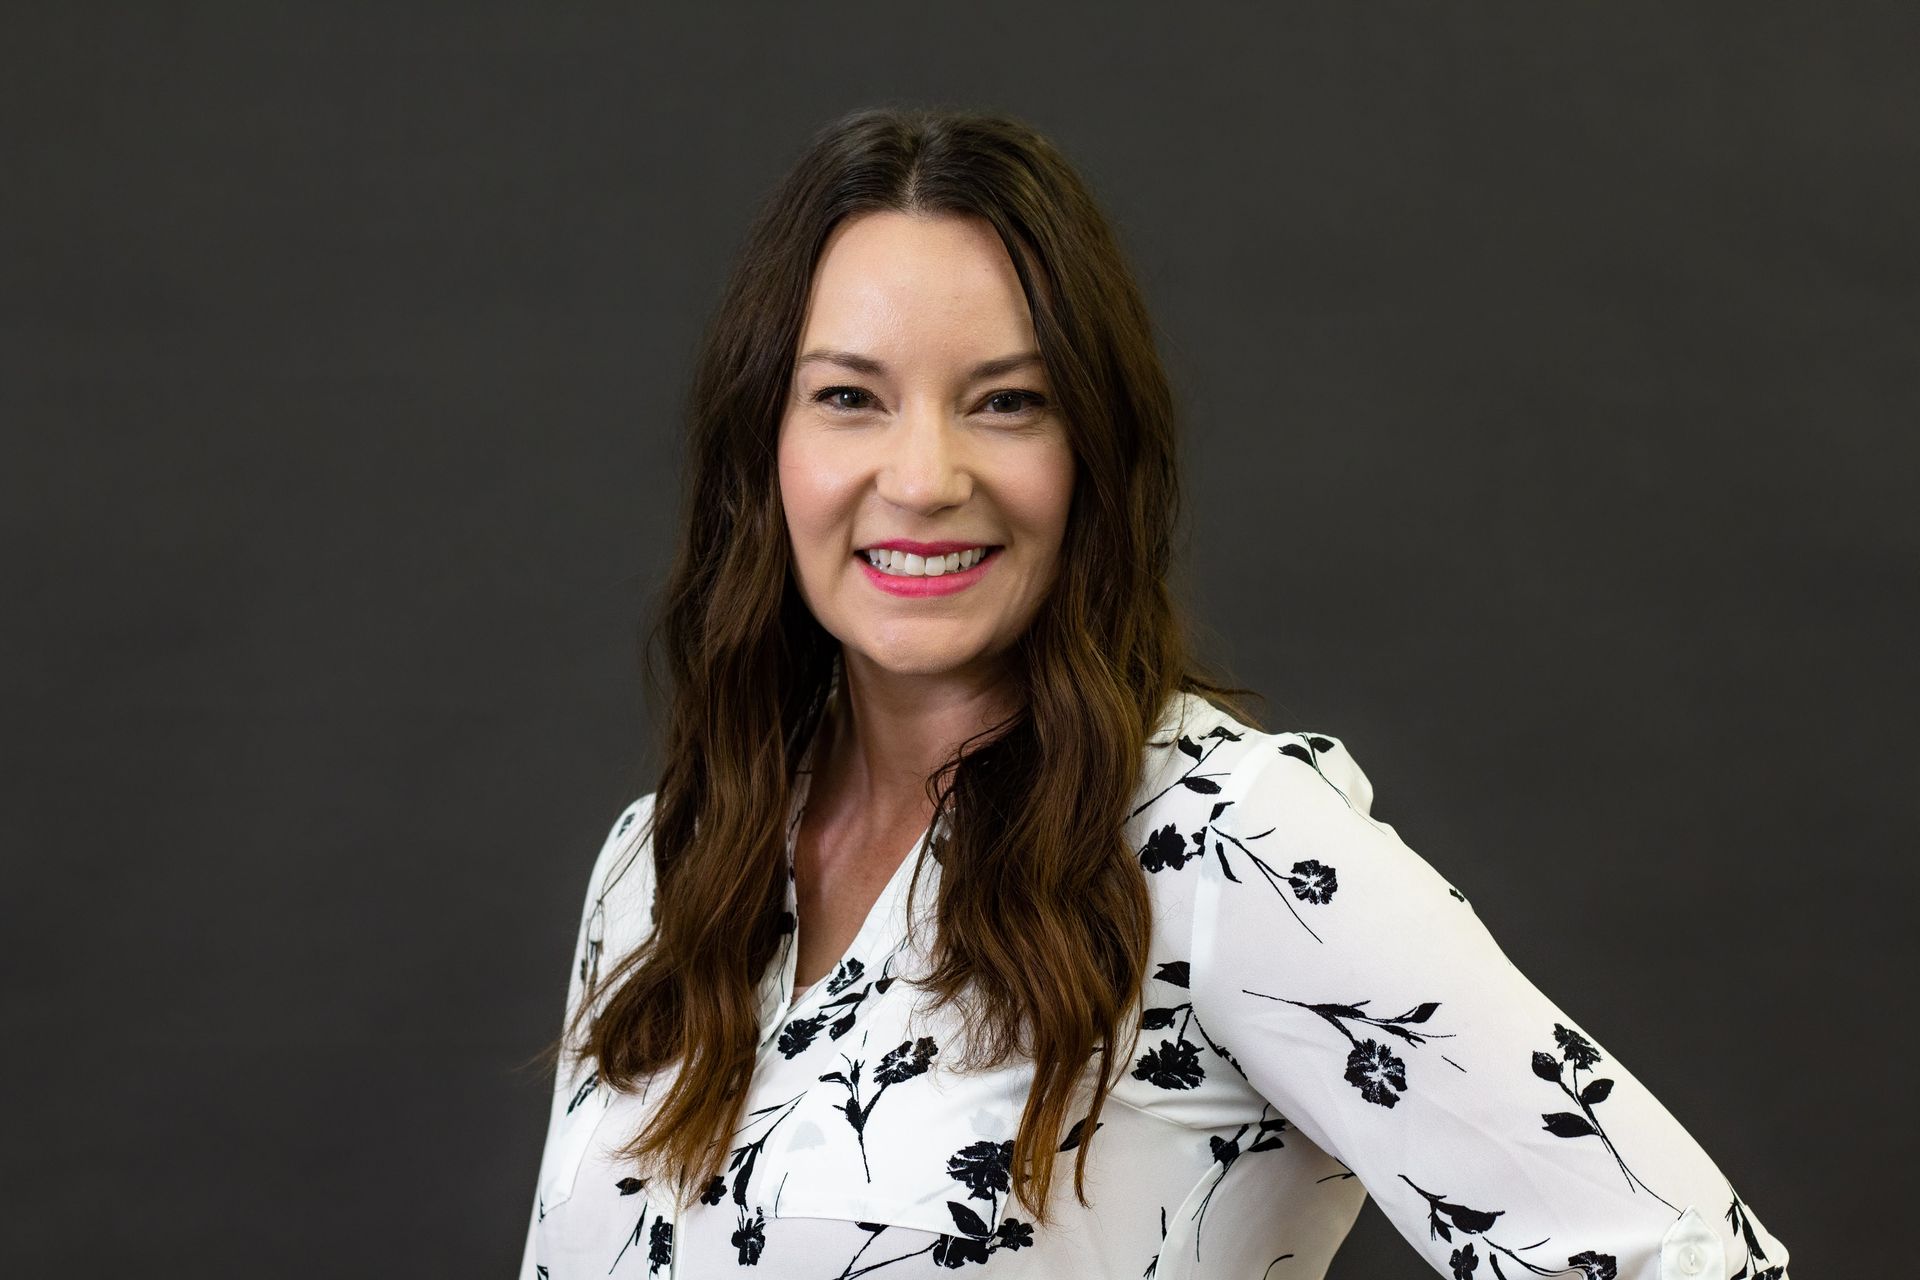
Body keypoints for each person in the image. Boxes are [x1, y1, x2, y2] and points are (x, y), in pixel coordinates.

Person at [520, 106, 1791, 1280]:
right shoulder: (661, 864)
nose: (921, 477)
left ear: (1094, 452)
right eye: (849, 397)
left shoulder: (1226, 847)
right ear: (765, 445)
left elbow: (1682, 1255)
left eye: (1007, 402)